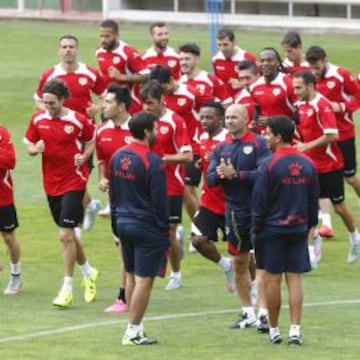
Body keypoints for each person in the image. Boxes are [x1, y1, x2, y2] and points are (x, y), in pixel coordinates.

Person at [24, 79, 99, 308]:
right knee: (70, 237)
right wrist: (34, 150)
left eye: (52, 103)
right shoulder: (38, 119)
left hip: (74, 180)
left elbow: (92, 140)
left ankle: (66, 288)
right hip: (51, 183)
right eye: (45, 102)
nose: (48, 107)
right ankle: (89, 271)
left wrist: (84, 158)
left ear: (63, 100)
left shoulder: (77, 120)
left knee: (65, 235)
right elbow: (29, 143)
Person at [252, 115, 319, 345]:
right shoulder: (308, 163)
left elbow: (260, 201)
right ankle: (295, 330)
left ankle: (273, 329)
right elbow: (313, 203)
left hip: (272, 230)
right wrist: (307, 225)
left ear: (279, 137)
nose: (265, 137)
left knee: (272, 279)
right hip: (298, 228)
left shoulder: (268, 164)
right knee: (295, 279)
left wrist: (257, 227)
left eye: (268, 133)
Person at [34, 34, 107, 233]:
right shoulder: (51, 74)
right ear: (59, 50)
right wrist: (47, 113)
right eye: (64, 47)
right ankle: (89, 206)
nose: (68, 50)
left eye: (71, 47)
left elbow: (106, 95)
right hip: (59, 137)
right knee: (74, 179)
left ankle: (74, 226)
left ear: (77, 49)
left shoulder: (90, 73)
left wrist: (97, 107)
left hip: (84, 136)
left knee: (78, 177)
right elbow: (38, 99)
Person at [207, 104, 270, 331]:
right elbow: (210, 179)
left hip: (260, 210)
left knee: (262, 261)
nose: (230, 121)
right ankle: (247, 312)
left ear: (246, 119)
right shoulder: (221, 147)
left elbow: (265, 175)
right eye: (227, 117)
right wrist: (221, 173)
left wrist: (238, 175)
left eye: (234, 117)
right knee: (239, 262)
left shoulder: (260, 144)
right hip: (234, 211)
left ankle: (264, 312)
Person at [110, 111, 170, 346]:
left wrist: (116, 223)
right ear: (146, 132)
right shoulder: (152, 160)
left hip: (123, 223)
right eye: (155, 129)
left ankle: (137, 325)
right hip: (146, 226)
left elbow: (113, 194)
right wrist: (165, 229)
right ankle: (132, 331)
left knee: (133, 277)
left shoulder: (117, 156)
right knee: (145, 280)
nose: (157, 133)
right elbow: (159, 199)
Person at [293, 71, 360, 264]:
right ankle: (310, 251)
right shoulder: (301, 105)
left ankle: (355, 237)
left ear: (310, 86)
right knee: (308, 208)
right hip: (310, 166)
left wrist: (307, 146)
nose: (295, 92)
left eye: (298, 88)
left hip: (330, 165)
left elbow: (332, 135)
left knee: (339, 206)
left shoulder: (322, 105)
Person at [140, 80, 192, 290]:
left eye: (151, 103)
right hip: (146, 183)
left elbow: (187, 156)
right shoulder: (142, 120)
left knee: (168, 231)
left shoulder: (175, 122)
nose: (147, 108)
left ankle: (176, 274)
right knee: (149, 228)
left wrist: (162, 159)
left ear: (162, 100)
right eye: (144, 103)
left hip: (170, 184)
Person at [306, 46, 360, 238]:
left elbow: (358, 96)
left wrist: (343, 107)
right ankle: (326, 224)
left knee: (350, 177)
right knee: (322, 176)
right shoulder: (309, 78)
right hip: (322, 138)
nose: (314, 69)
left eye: (317, 65)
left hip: (343, 134)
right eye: (311, 66)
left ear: (325, 60)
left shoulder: (341, 75)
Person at [96, 85, 133, 313]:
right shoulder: (101, 130)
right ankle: (126, 295)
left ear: (121, 106)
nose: (103, 106)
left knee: (127, 248)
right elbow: (102, 159)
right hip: (117, 201)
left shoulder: (138, 129)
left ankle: (124, 297)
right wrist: (101, 178)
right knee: (122, 247)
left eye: (108, 102)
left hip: (137, 201)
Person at [191, 102, 234, 291]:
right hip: (208, 201)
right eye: (202, 117)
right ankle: (226, 266)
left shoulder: (230, 140)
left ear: (221, 119)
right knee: (198, 240)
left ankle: (254, 284)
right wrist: (202, 163)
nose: (204, 121)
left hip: (231, 204)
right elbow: (204, 160)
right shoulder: (202, 137)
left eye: (209, 117)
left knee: (241, 251)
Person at [96, 19, 150, 115]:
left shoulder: (127, 52)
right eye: (101, 36)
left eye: (107, 36)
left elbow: (147, 76)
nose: (103, 40)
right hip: (109, 104)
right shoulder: (99, 51)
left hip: (129, 105)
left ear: (116, 35)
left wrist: (122, 77)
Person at [248, 47, 296, 135]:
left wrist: (272, 121)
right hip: (266, 136)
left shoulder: (289, 83)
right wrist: (254, 123)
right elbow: (258, 110)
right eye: (262, 61)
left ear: (277, 62)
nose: (265, 63)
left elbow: (299, 116)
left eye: (269, 60)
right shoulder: (254, 85)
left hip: (287, 136)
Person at [0, 125, 22, 295]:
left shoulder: (1, 133)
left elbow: (10, 161)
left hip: (2, 195)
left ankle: (16, 275)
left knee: (8, 236)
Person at [179, 43, 232, 108]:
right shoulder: (179, 82)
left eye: (187, 59)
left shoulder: (212, 81)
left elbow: (227, 104)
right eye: (181, 59)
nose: (183, 62)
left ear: (197, 59)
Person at [212, 28, 257, 99]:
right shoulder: (216, 58)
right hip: (224, 101)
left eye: (225, 44)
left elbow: (259, 81)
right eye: (219, 45)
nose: (222, 49)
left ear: (234, 42)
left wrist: (242, 84)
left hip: (244, 100)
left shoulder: (247, 58)